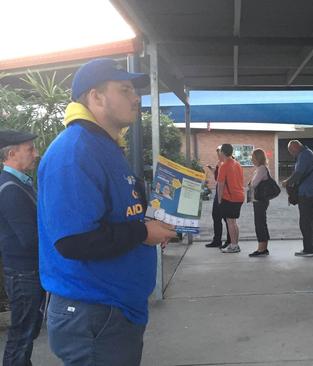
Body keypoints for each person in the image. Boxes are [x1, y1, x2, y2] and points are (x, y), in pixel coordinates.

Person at [38, 58, 177, 365]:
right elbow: (73, 241)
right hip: (94, 312)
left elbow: (118, 216)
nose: (135, 97)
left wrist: (149, 228)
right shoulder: (75, 151)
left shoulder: (103, 146)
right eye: (125, 89)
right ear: (96, 96)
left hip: (113, 309)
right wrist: (142, 233)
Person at [0, 130, 45, 366]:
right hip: (23, 274)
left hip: (25, 272)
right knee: (22, 336)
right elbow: (29, 239)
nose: (35, 154)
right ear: (11, 153)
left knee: (26, 334)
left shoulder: (18, 184)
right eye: (30, 149)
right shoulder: (10, 189)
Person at [282, 140, 313, 257]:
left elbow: (298, 173)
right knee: (312, 221)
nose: (292, 154)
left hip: (306, 194)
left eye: (291, 151)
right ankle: (310, 247)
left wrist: (287, 182)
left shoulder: (304, 155)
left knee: (305, 222)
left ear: (295, 148)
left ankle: (308, 249)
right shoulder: (310, 153)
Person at [217, 143, 245, 253]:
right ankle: (235, 244)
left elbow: (220, 185)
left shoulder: (224, 166)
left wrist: (219, 200)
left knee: (230, 222)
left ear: (222, 152)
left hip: (230, 198)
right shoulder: (237, 164)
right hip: (239, 196)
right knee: (233, 222)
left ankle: (233, 246)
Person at [206, 145, 231, 248]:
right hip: (218, 192)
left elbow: (225, 181)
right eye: (217, 153)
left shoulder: (227, 163)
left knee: (227, 218)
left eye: (219, 153)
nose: (218, 155)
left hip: (224, 193)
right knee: (216, 216)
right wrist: (213, 170)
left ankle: (230, 240)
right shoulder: (219, 163)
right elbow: (217, 178)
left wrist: (221, 198)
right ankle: (217, 240)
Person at [248, 149, 271, 257]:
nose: (251, 159)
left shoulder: (261, 169)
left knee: (260, 224)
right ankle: (263, 248)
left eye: (253, 157)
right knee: (262, 222)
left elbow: (253, 184)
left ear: (257, 158)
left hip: (260, 200)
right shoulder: (261, 168)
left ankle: (261, 249)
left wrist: (250, 182)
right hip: (261, 200)